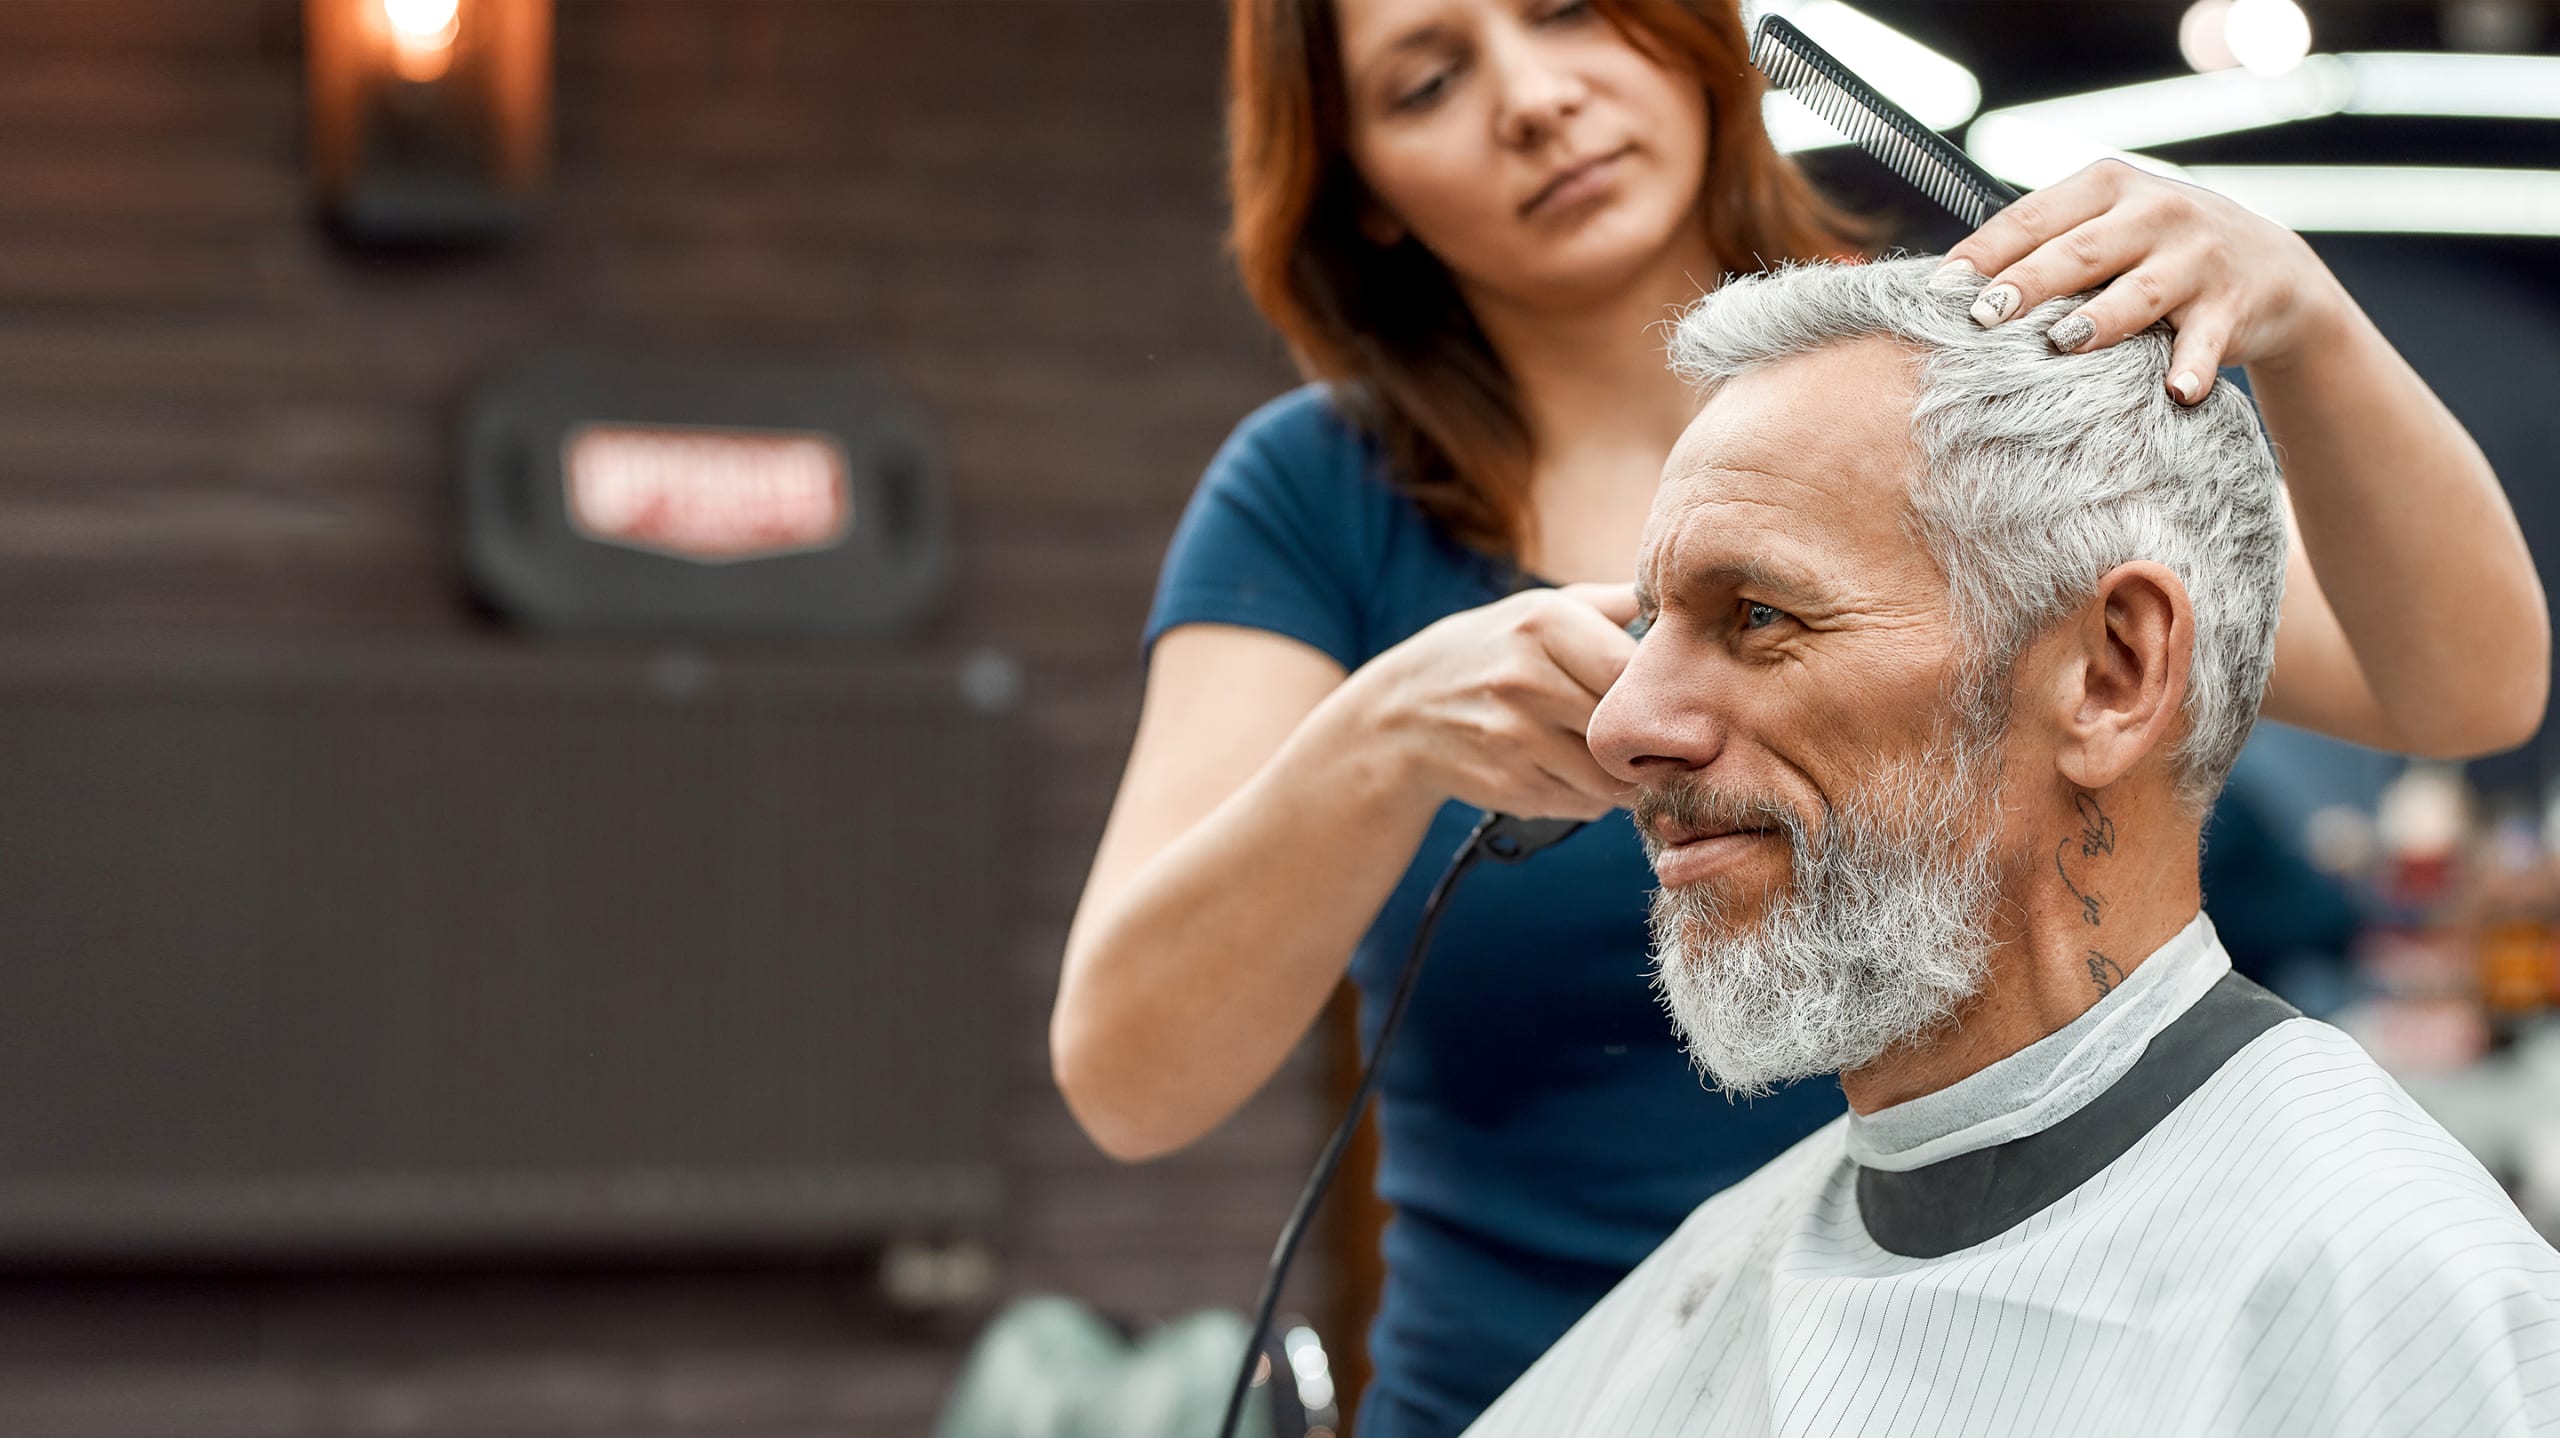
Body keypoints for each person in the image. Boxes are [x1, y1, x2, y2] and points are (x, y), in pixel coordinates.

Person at [1049, 3, 2553, 1434]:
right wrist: (1380, 742)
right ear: (1362, 184)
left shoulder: (1949, 396)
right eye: (1424, 81)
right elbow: (1130, 1072)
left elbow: (2465, 686)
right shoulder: (1320, 500)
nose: (1531, 97)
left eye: (1571, 8)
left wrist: (2307, 323)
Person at [1464, 253, 2560, 1438]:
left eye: (1760, 615)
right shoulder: (1741, 1254)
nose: (1619, 724)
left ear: (2108, 673)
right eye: (1646, 626)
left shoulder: (2377, 1289)